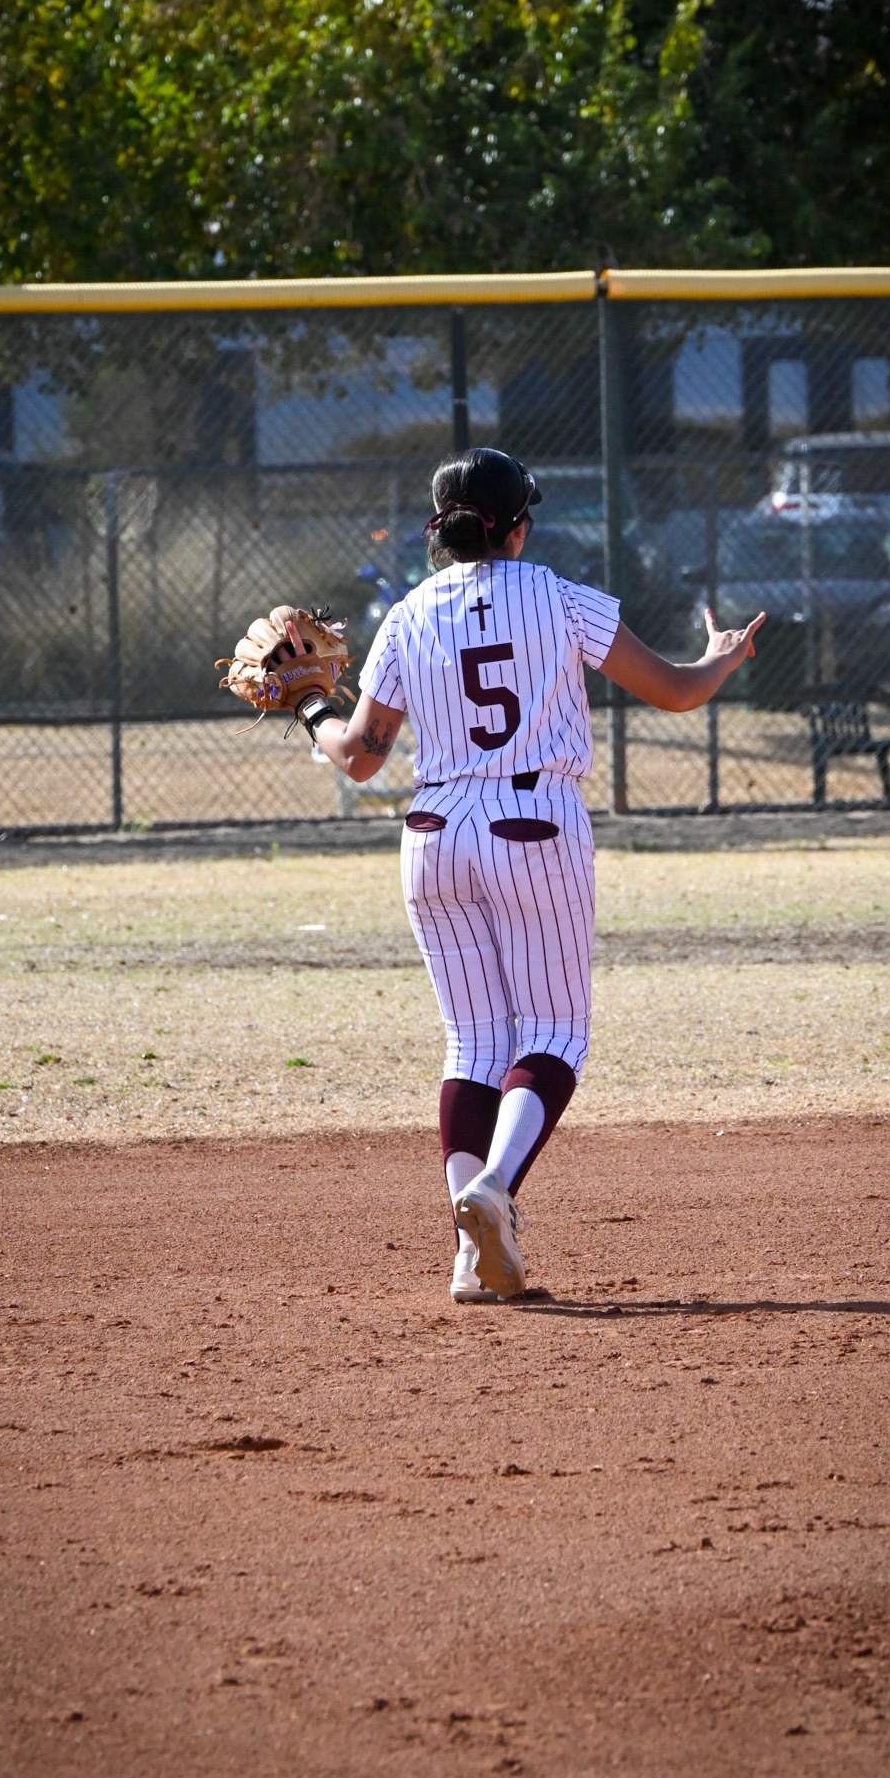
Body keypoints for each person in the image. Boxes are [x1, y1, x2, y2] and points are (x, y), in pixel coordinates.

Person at [298, 447, 763, 1302]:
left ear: (438, 533)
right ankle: (493, 1191)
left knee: (473, 1041)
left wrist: (307, 704)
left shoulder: (405, 614)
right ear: (518, 525)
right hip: (531, 822)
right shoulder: (556, 595)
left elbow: (361, 758)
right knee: (552, 1034)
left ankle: (470, 1258)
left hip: (433, 831)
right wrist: (722, 657)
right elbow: (672, 690)